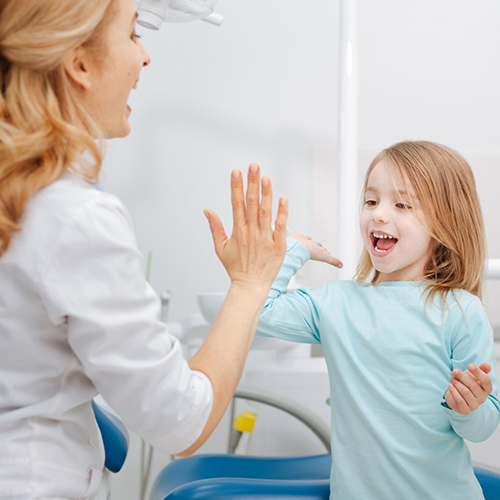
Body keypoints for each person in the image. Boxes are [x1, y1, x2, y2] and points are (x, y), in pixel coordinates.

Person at [0, 0, 288, 498]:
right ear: (80, 64)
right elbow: (183, 421)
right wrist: (250, 282)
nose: (146, 57)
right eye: (134, 34)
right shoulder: (73, 216)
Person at [256, 140, 500, 500]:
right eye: (371, 201)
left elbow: (482, 428)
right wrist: (294, 251)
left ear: (445, 224)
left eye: (402, 204)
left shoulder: (462, 312)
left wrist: (468, 408)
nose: (379, 214)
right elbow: (258, 313)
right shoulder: (336, 303)